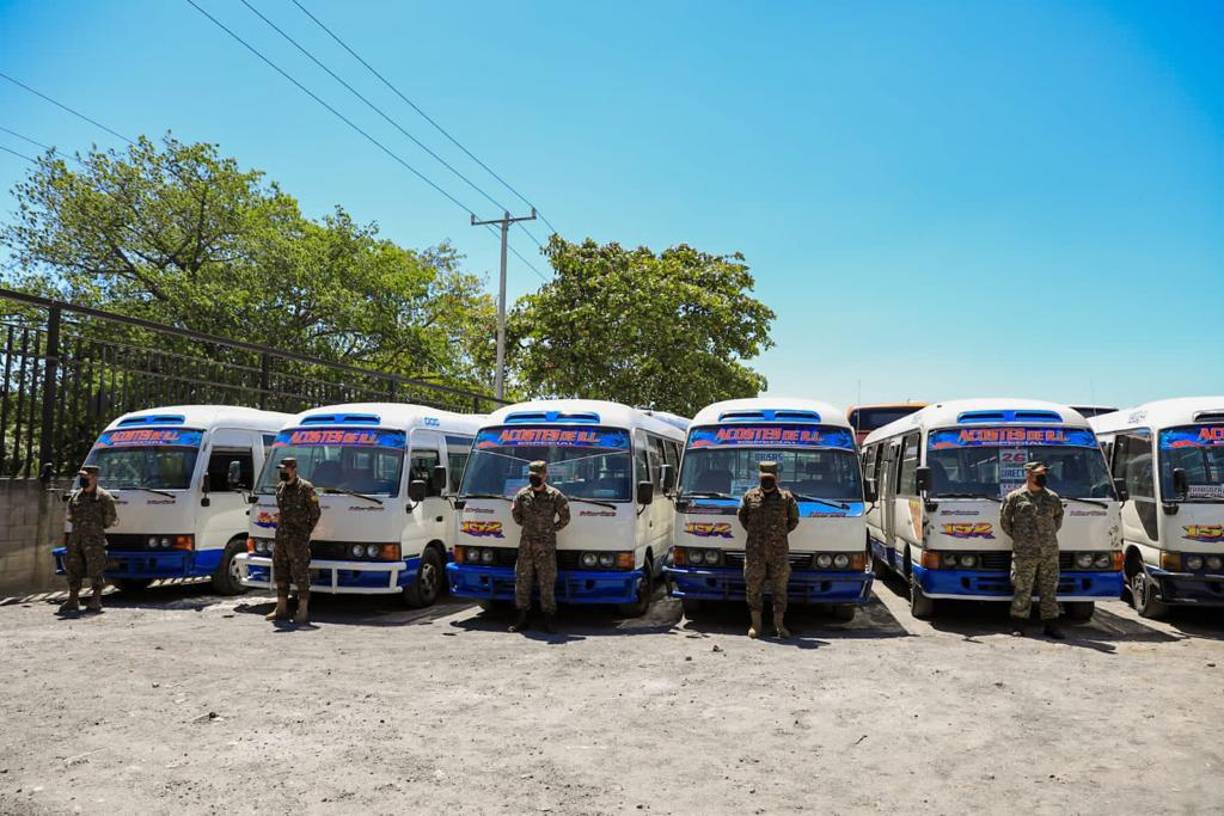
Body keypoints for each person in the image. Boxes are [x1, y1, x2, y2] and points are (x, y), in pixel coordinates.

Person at [1000, 460, 1065, 639]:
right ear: (1028, 475)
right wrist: (1021, 539)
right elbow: (1005, 522)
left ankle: (1051, 625)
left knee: (1049, 589)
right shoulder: (1015, 497)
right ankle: (1019, 625)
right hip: (1024, 552)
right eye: (1039, 474)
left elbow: (1057, 520)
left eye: (1044, 473)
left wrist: (1045, 538)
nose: (1043, 477)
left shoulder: (1053, 497)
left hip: (1048, 552)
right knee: (1022, 588)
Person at [737, 461, 799, 639]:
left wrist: (779, 534)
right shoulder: (749, 497)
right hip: (755, 554)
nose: (767, 481)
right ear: (759, 477)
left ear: (777, 478)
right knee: (753, 588)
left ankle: (779, 625)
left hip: (778, 553)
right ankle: (756, 625)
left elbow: (794, 520)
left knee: (780, 590)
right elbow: (742, 517)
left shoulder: (786, 498)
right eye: (764, 478)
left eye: (770, 478)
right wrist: (755, 534)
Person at [509, 460, 570, 633]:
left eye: (537, 475)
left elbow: (565, 518)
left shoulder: (555, 495)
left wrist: (550, 530)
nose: (533, 478)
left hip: (546, 547)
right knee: (522, 581)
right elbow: (516, 515)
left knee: (547, 582)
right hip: (526, 545)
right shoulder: (522, 495)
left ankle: (549, 619)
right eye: (531, 475)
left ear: (545, 475)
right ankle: (522, 618)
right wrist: (530, 529)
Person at [266, 457, 321, 625]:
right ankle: (281, 608)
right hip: (281, 538)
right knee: (280, 571)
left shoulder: (306, 488)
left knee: (300, 574)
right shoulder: (280, 488)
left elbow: (315, 513)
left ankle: (302, 610)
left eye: (285, 469)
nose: (282, 472)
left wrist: (304, 532)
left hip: (298, 540)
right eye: (281, 469)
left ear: (294, 469)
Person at [59, 465, 118, 615]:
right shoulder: (76, 497)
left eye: (86, 477)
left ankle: (96, 599)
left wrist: (93, 530)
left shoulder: (104, 498)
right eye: (82, 477)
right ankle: (73, 599)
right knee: (73, 567)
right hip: (76, 539)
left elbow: (109, 519)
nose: (83, 480)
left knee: (96, 568)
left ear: (95, 477)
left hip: (94, 540)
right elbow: (70, 516)